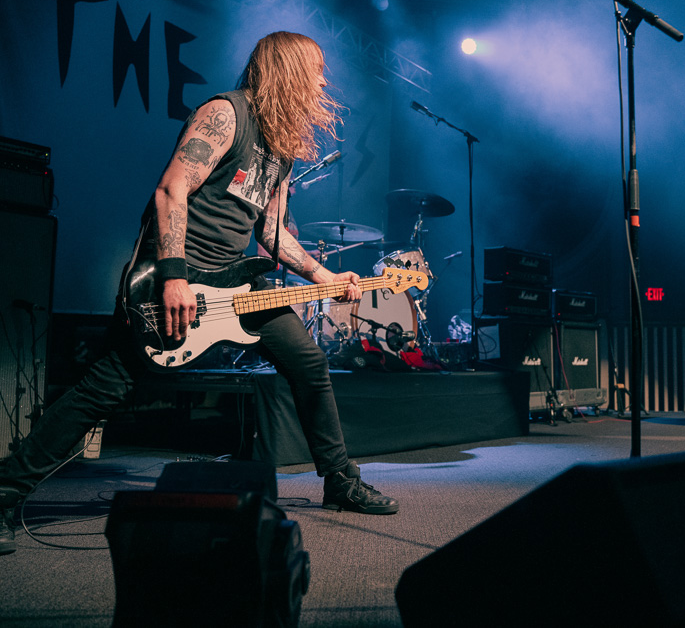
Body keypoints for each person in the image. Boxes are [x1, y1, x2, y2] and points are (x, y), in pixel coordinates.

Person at [1, 32, 398, 555]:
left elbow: (273, 233)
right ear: (290, 70)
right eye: (317, 69)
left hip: (236, 282)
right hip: (176, 277)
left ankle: (340, 480)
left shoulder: (281, 146)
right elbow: (171, 190)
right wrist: (174, 275)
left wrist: (323, 278)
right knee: (105, 389)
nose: (324, 81)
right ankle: (5, 492)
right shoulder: (226, 115)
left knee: (308, 363)